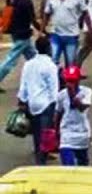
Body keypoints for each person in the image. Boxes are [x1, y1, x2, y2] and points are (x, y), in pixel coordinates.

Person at [16, 36, 58, 165]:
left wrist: (22, 100)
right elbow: (53, 89)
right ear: (49, 48)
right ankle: (41, 162)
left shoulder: (29, 64)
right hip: (45, 104)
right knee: (45, 134)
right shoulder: (50, 66)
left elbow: (24, 84)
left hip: (31, 103)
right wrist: (55, 108)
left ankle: (39, 154)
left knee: (36, 132)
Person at [0, 0, 40, 87]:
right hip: (22, 34)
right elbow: (33, 20)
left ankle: (38, 78)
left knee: (34, 58)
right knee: (11, 60)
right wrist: (43, 32)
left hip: (16, 32)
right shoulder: (25, 1)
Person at [45, 0, 87, 67]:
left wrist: (82, 25)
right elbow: (47, 13)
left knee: (71, 62)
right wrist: (42, 30)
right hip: (55, 34)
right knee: (53, 60)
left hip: (71, 35)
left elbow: (85, 11)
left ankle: (70, 80)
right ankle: (56, 80)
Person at [54, 64, 92, 166]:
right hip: (66, 134)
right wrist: (56, 132)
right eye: (68, 81)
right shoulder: (61, 95)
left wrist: (73, 95)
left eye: (73, 81)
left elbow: (82, 108)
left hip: (82, 133)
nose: (70, 84)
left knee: (83, 165)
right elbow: (58, 114)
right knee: (68, 166)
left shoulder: (86, 92)